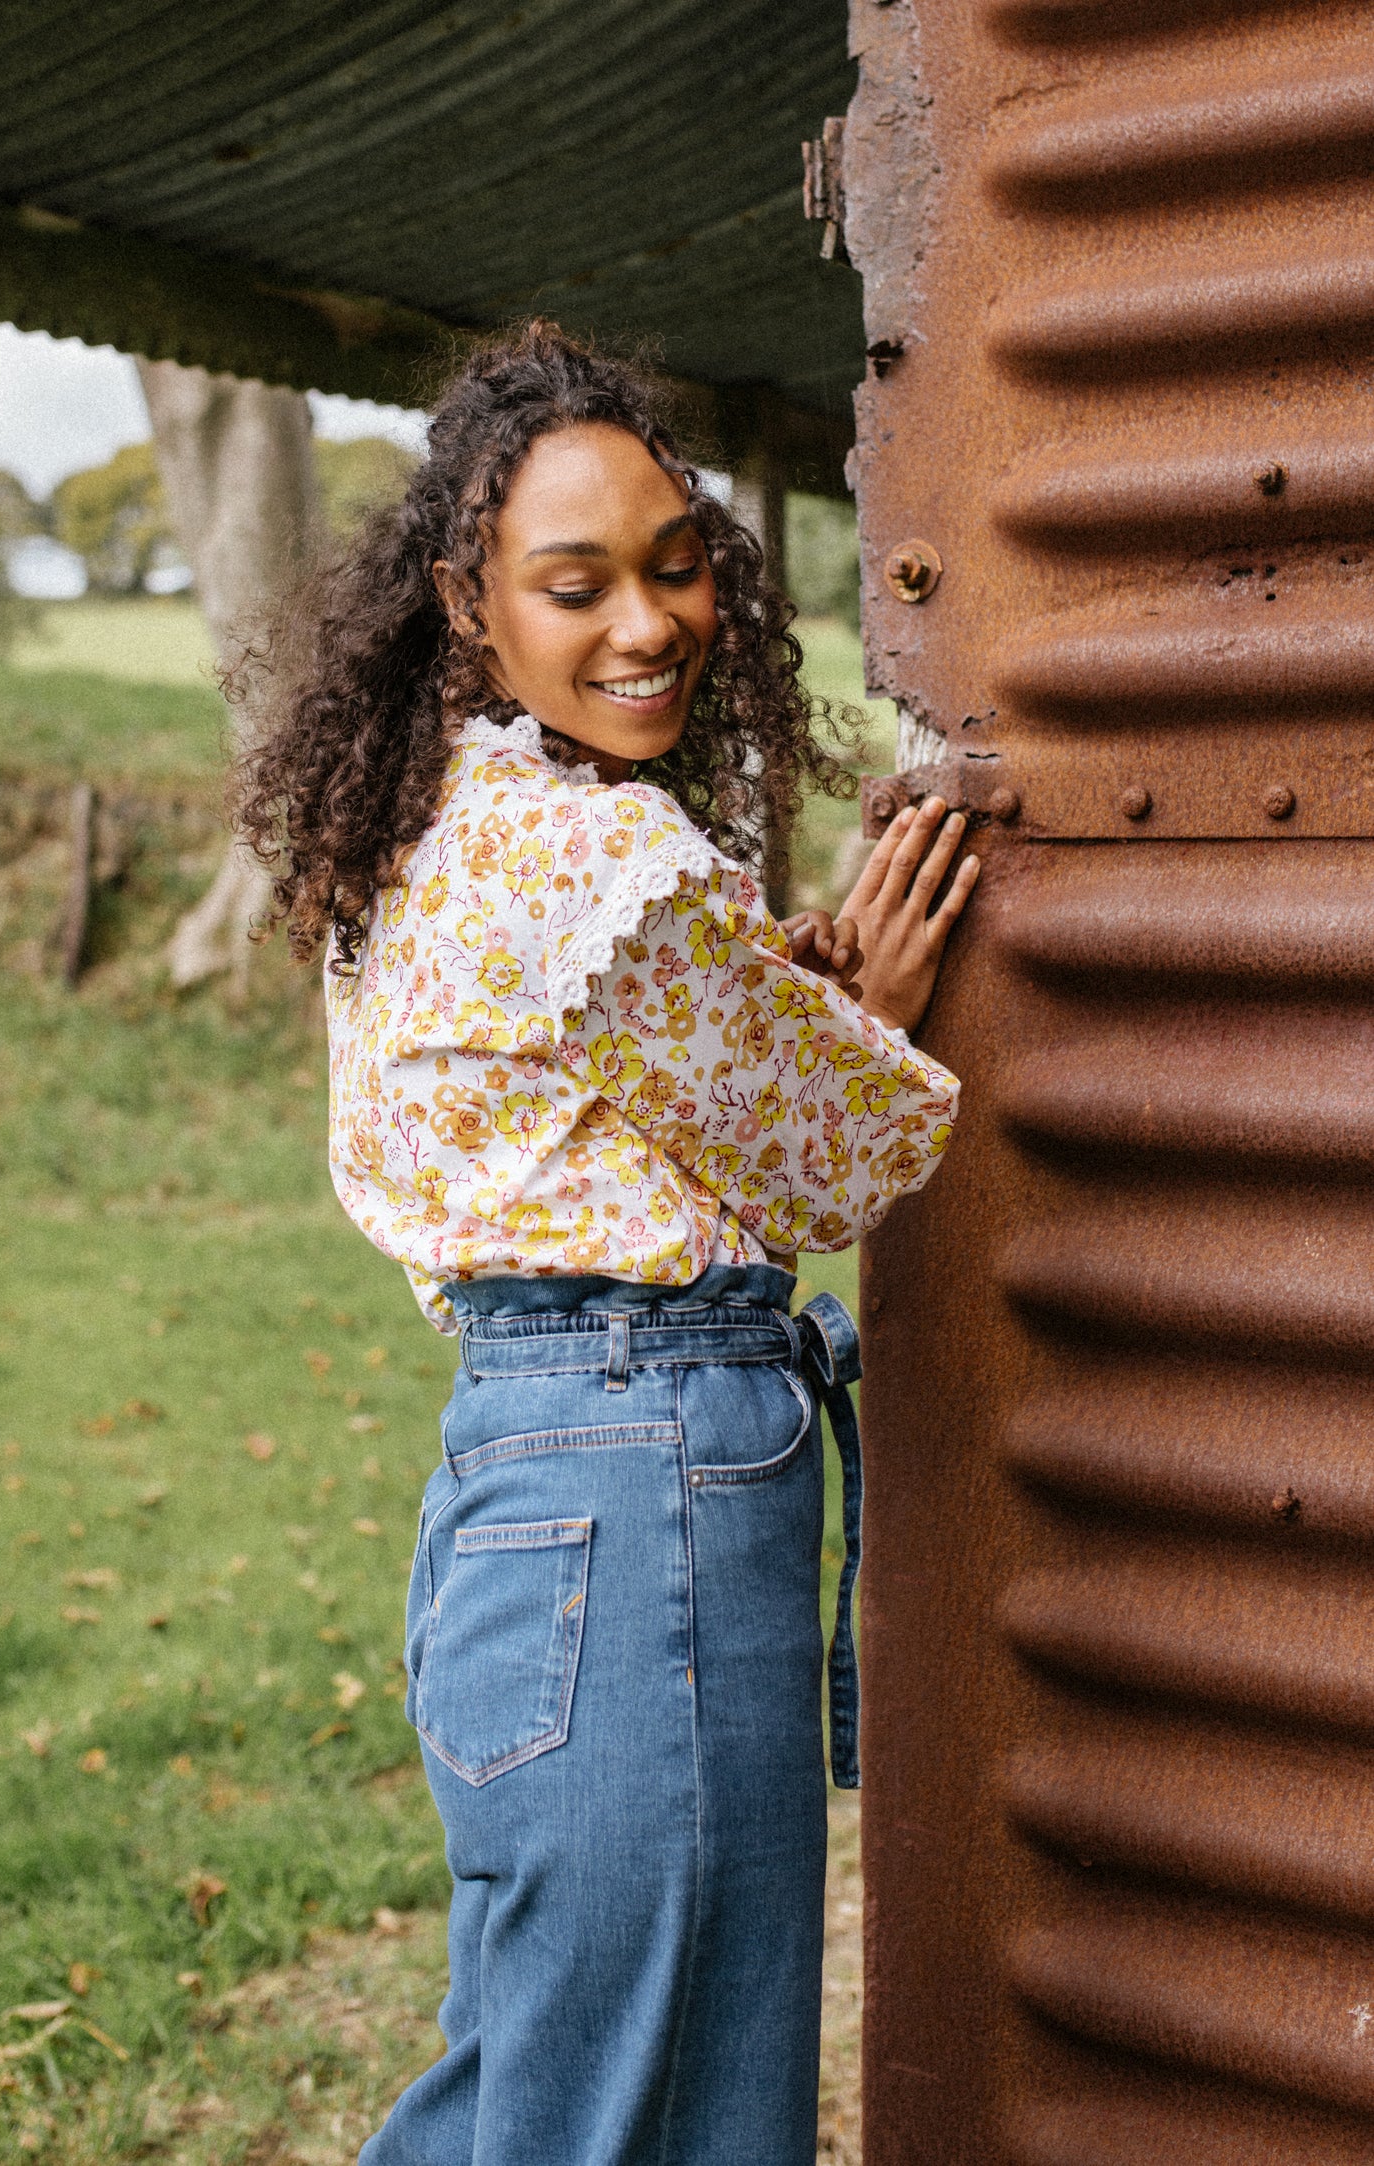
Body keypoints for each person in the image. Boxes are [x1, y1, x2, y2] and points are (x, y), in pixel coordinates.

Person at [235, 321, 978, 2166]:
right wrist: (870, 1015)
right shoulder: (589, 862)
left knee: (547, 2077)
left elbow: (619, 1094)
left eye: (674, 567)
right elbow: (846, 1154)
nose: (646, 623)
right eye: (574, 584)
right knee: (653, 2101)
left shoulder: (432, 824)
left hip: (521, 1481)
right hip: (650, 1485)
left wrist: (773, 1006)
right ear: (467, 601)